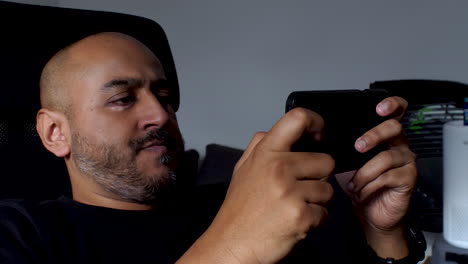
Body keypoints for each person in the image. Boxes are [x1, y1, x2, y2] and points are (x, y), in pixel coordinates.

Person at [0, 31, 423, 264]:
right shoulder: (23, 234)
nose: (162, 115)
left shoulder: (253, 201)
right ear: (55, 132)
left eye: (165, 97)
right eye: (122, 99)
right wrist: (235, 248)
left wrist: (383, 235)